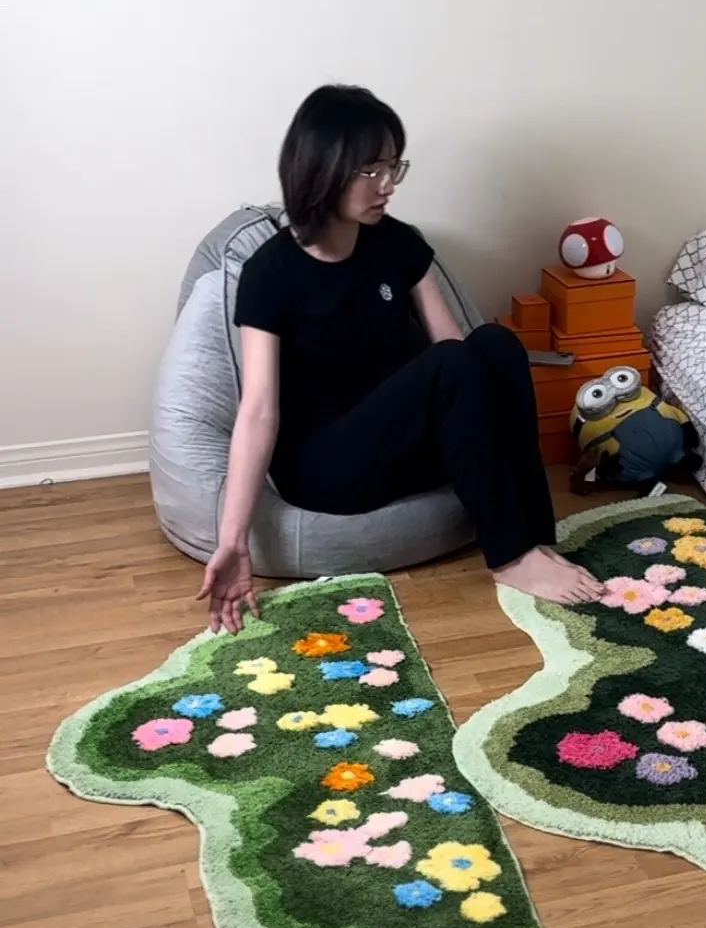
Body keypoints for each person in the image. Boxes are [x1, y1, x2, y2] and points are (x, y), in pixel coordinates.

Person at [197, 84, 603, 633]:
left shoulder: (395, 242)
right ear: (322, 167)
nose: (387, 185)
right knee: (455, 362)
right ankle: (509, 557)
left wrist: (479, 425)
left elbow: (456, 348)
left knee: (494, 343)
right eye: (370, 170)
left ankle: (531, 540)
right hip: (327, 467)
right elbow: (259, 411)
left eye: (393, 167)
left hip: (404, 443)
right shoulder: (270, 273)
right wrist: (232, 539)